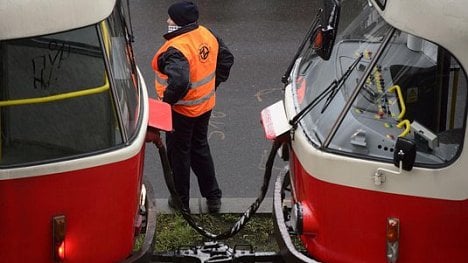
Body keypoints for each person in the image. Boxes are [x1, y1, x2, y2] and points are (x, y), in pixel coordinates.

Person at [151, 1, 234, 213]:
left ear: (178, 23)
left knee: (179, 156)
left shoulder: (175, 48)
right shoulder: (206, 33)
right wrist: (212, 86)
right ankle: (213, 197)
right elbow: (226, 58)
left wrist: (166, 103)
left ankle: (181, 203)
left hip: (181, 112)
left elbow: (179, 81)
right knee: (200, 149)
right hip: (204, 106)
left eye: (170, 18)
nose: (167, 21)